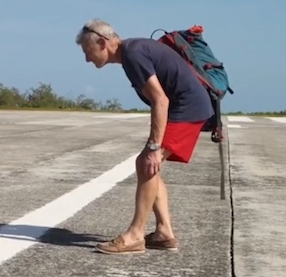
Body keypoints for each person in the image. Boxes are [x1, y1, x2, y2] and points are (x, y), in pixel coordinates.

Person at [75, 18, 214, 254]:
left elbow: (160, 100)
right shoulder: (133, 51)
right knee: (148, 165)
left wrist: (153, 146)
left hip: (187, 108)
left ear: (102, 42)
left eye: (88, 52)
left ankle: (135, 235)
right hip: (187, 107)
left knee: (147, 162)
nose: (87, 59)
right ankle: (164, 232)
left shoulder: (133, 55)